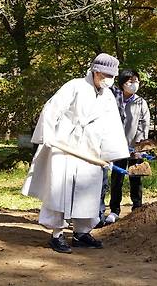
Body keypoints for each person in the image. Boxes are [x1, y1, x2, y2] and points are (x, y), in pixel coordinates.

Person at [22, 53, 129, 254]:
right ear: (96, 71)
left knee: (88, 192)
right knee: (60, 191)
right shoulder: (75, 86)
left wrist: (110, 152)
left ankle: (81, 234)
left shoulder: (107, 95)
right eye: (106, 74)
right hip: (66, 146)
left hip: (91, 149)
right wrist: (49, 135)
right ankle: (57, 235)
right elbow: (52, 109)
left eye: (112, 76)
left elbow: (112, 125)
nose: (110, 79)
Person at [101, 69, 151, 225]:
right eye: (130, 81)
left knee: (136, 177)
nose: (134, 83)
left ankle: (137, 208)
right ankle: (114, 210)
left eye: (136, 80)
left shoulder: (140, 102)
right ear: (122, 84)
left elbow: (144, 124)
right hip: (116, 146)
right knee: (117, 179)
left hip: (134, 147)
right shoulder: (114, 99)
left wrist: (139, 146)